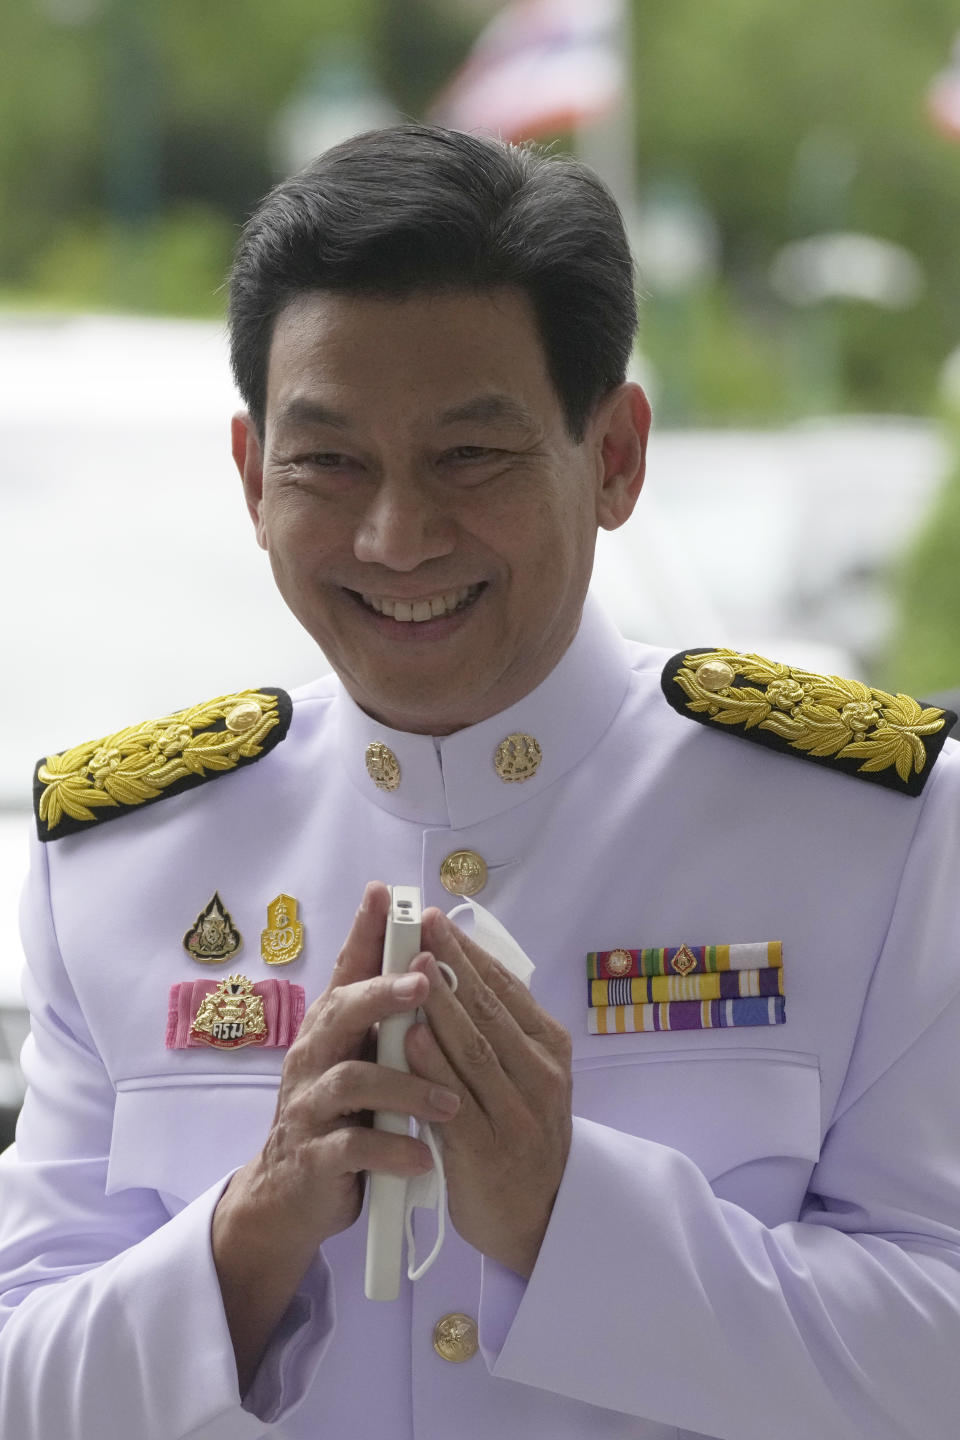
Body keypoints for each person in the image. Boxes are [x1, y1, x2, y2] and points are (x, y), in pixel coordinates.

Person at [1, 123, 959, 1440]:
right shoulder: (118, 862)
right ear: (250, 474)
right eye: (328, 462)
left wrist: (574, 1216)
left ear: (615, 456)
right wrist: (246, 1238)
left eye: (471, 457)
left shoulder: (871, 834)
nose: (397, 536)